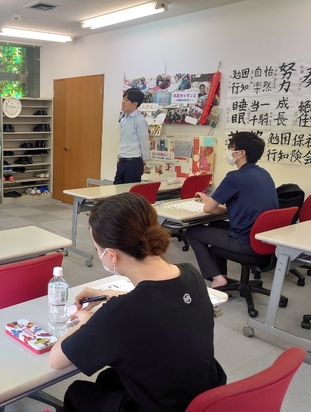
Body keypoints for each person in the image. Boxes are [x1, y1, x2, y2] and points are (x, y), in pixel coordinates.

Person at [49, 193, 226, 412]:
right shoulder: (191, 275)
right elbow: (154, 301)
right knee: (109, 378)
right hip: (202, 396)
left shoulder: (120, 314)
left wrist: (86, 321)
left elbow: (57, 359)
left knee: (78, 392)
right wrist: (105, 294)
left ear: (111, 255)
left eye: (97, 249)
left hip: (162, 407)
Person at [185, 131, 279, 288]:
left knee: (192, 231)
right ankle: (222, 275)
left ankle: (217, 278)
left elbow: (208, 209)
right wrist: (210, 201)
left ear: (241, 153)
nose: (229, 151)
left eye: (231, 147)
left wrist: (209, 203)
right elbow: (234, 208)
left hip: (245, 241)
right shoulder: (264, 174)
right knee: (216, 225)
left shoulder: (235, 177)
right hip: (264, 240)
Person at [114, 88, 150, 184]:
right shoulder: (123, 120)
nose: (123, 102)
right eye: (123, 99)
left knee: (130, 192)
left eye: (127, 100)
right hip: (122, 161)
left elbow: (144, 142)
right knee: (116, 190)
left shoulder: (140, 120)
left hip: (133, 162)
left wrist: (144, 161)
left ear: (135, 104)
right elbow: (123, 140)